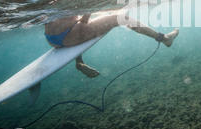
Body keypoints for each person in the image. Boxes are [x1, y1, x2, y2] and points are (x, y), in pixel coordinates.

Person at [44, 10, 179, 78]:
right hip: (70, 33)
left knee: (78, 37)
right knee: (118, 18)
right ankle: (165, 38)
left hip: (51, 38)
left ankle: (79, 61)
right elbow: (84, 17)